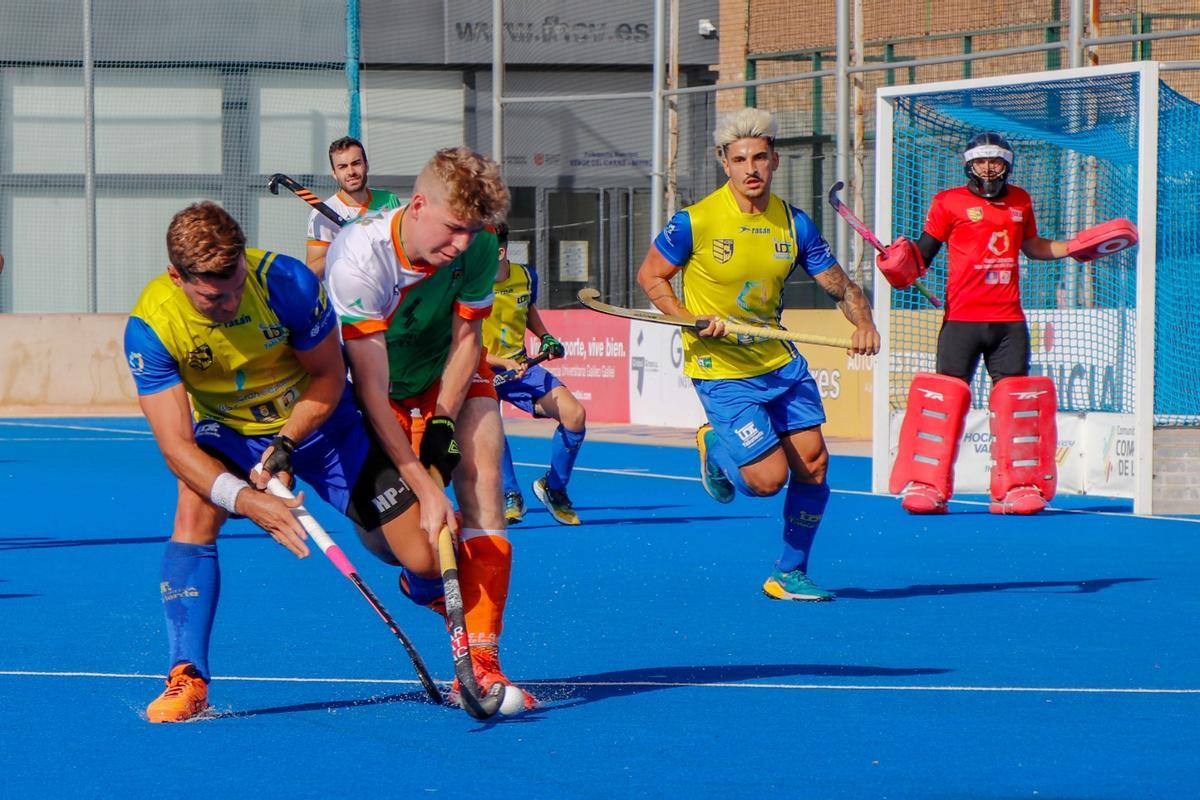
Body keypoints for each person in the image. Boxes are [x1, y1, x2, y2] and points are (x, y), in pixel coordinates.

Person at [125, 202, 443, 723]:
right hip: (230, 432)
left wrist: (287, 443)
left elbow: (326, 376)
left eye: (234, 287)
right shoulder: (152, 327)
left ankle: (420, 582)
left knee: (424, 556)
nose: (228, 304)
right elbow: (176, 448)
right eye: (211, 296)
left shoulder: (287, 282)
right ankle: (187, 674)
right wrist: (249, 500)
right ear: (176, 277)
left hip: (321, 423)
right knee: (193, 505)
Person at [636, 107, 880, 602]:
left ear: (774, 161)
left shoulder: (794, 223)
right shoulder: (695, 221)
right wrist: (685, 316)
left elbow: (839, 286)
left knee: (813, 465)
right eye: (740, 158)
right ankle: (714, 445)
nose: (751, 168)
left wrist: (865, 322)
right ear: (724, 163)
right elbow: (651, 277)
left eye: (760, 158)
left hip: (779, 361)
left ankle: (789, 573)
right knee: (767, 482)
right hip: (721, 369)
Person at [324, 146, 535, 709]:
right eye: (453, 229)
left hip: (448, 371)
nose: (463, 245)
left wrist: (442, 417)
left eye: (474, 231)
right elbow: (370, 389)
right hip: (379, 387)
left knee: (483, 482)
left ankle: (483, 661)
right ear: (418, 206)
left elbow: (469, 339)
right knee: (408, 548)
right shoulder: (357, 258)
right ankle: (421, 584)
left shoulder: (481, 244)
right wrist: (422, 482)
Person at [880, 131, 1138, 516]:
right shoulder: (947, 202)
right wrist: (899, 261)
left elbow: (1032, 247)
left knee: (1017, 404)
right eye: (981, 160)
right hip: (962, 322)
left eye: (996, 160)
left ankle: (1016, 488)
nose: (988, 167)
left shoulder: (1020, 200)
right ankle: (928, 485)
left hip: (1008, 323)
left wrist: (1070, 247)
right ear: (969, 164)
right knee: (943, 404)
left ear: (1007, 164)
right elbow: (923, 255)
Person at [482, 222, 586, 526]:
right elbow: (461, 341)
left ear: (500, 251)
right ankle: (509, 495)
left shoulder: (526, 276)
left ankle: (554, 489)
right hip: (481, 369)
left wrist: (545, 336)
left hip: (520, 367)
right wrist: (500, 362)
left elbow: (528, 309)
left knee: (574, 415)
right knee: (491, 428)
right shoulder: (466, 284)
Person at [305, 136, 402, 278]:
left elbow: (403, 248)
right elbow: (312, 272)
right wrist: (347, 249)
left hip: (390, 292)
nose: (351, 172)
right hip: (349, 296)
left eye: (356, 163)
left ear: (366, 165)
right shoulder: (321, 214)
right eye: (342, 167)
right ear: (334, 174)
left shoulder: (389, 200)